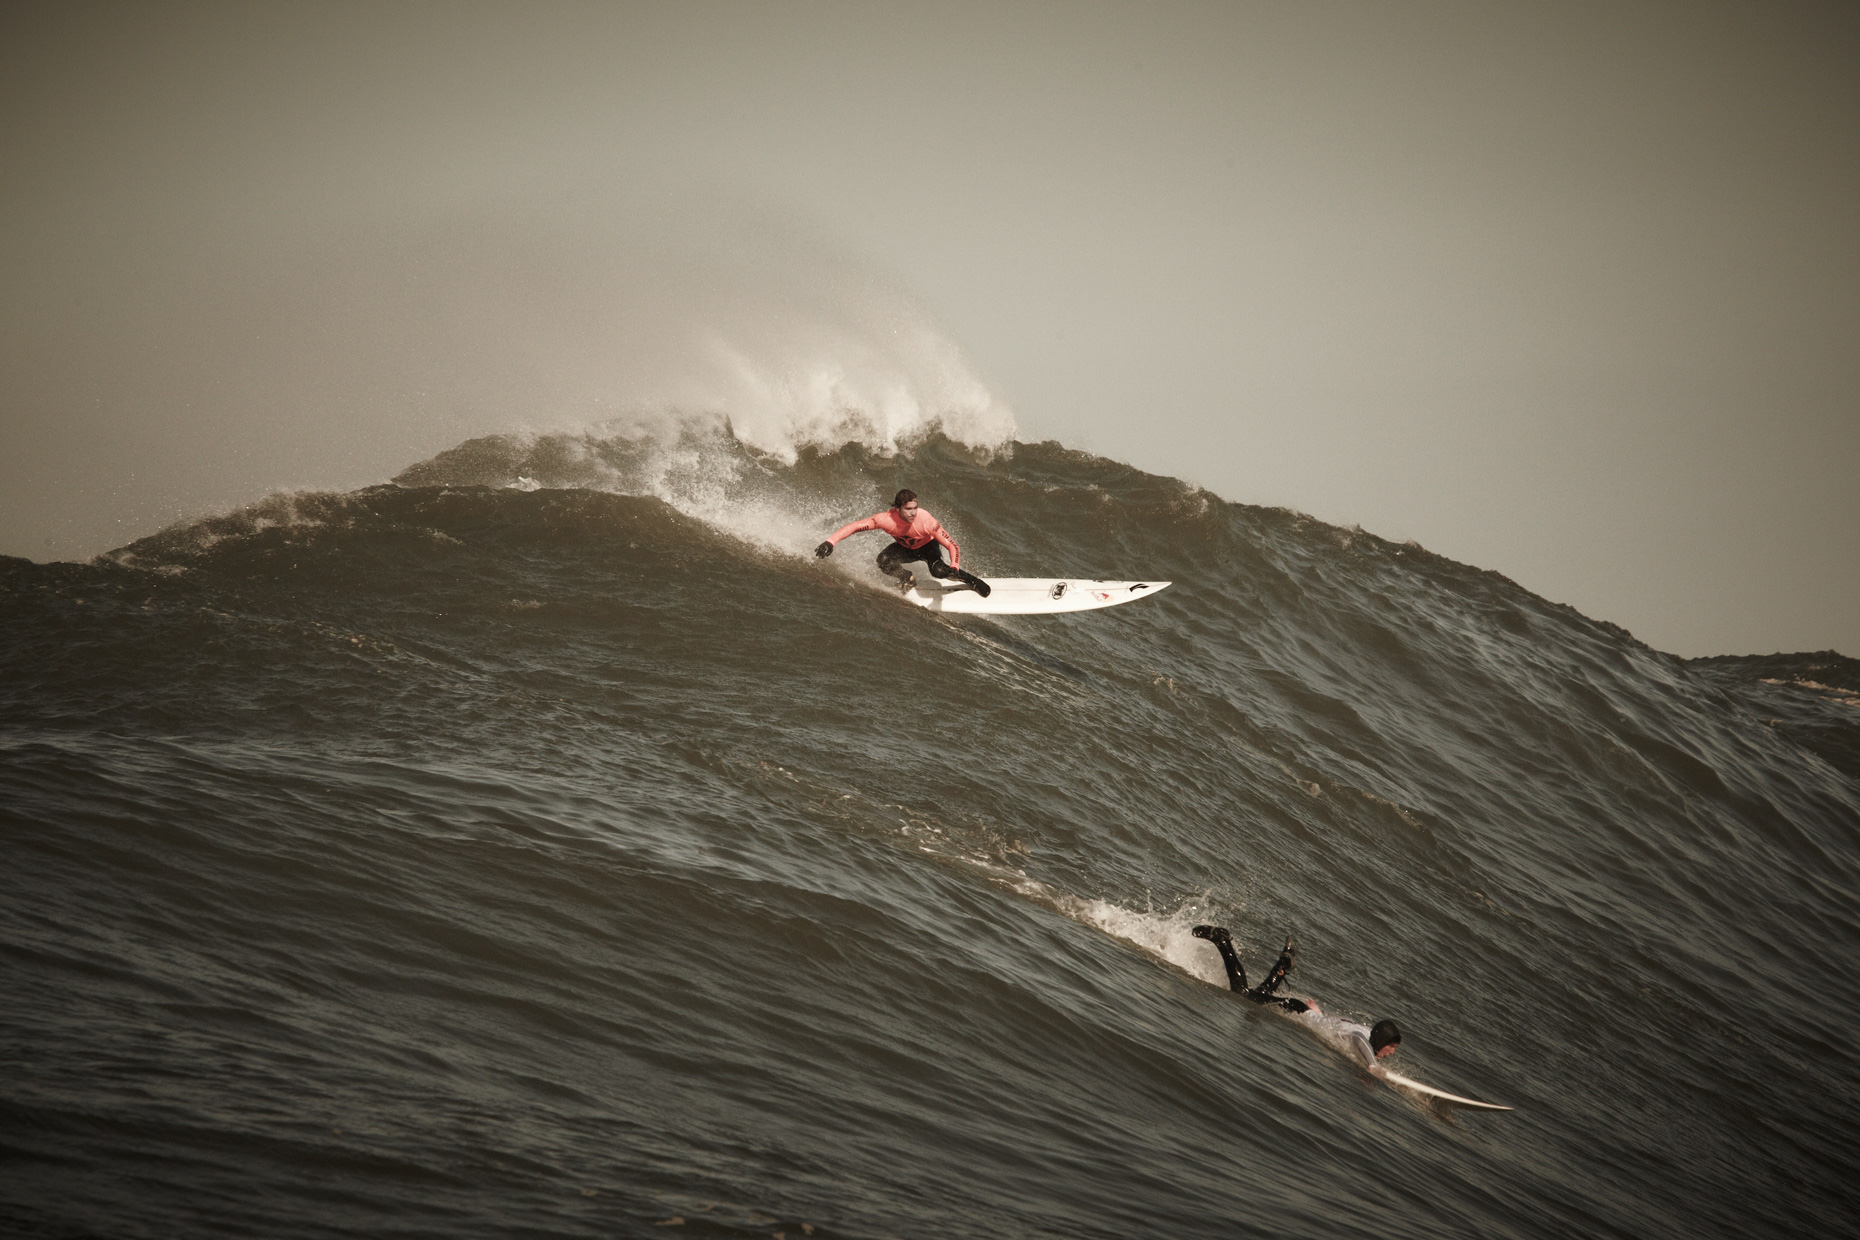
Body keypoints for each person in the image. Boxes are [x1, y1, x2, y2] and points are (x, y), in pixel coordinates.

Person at [1192, 925, 1402, 1068]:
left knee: (1260, 995)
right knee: (1242, 994)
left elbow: (1343, 1027)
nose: (1392, 1052)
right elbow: (1356, 1038)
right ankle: (1222, 941)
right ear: (1380, 1040)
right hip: (1295, 1008)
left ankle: (1283, 965)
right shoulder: (1362, 1036)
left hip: (1303, 1010)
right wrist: (1372, 1066)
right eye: (1391, 1046)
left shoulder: (1367, 1033)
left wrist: (1318, 1015)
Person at [814, 489, 992, 597]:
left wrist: (955, 564)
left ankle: (972, 581)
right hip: (906, 549)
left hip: (928, 548)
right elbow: (854, 526)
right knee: (883, 560)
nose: (913, 513)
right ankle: (907, 578)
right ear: (897, 508)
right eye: (908, 509)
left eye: (915, 508)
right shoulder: (884, 519)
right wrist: (830, 542)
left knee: (939, 571)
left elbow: (952, 545)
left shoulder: (927, 521)